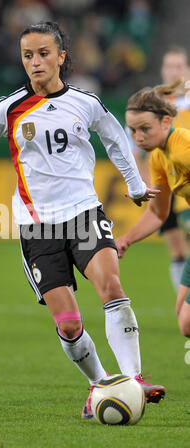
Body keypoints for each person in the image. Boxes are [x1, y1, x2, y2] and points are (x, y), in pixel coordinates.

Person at [0, 21, 165, 418]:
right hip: (37, 226)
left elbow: (115, 137)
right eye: (27, 56)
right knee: (70, 324)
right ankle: (99, 384)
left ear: (61, 57)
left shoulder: (86, 103)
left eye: (43, 54)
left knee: (110, 284)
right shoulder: (8, 108)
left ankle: (133, 378)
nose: (36, 62)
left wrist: (135, 183)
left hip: (83, 213)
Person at [117, 80, 190, 338]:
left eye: (145, 129)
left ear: (166, 123)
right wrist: (126, 240)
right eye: (133, 130)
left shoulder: (183, 148)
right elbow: (158, 212)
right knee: (185, 322)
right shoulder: (159, 157)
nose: (138, 137)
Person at [126, 46, 190, 291]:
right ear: (162, 70)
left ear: (186, 69)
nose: (174, 71)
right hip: (165, 183)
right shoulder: (151, 104)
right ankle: (183, 303)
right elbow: (134, 148)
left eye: (179, 66)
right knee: (176, 249)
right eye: (169, 66)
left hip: (186, 179)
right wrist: (145, 184)